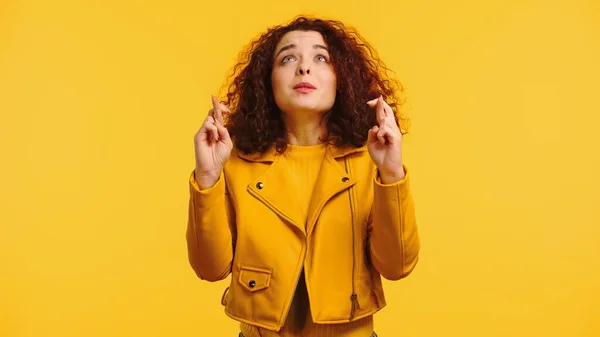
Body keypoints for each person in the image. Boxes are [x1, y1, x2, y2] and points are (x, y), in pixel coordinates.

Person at [186, 16, 420, 337]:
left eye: (321, 58)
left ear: (343, 79)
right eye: (288, 58)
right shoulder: (234, 159)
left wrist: (391, 172)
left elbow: (397, 267)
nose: (304, 69)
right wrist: (207, 178)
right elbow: (209, 269)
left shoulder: (370, 158)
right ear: (267, 81)